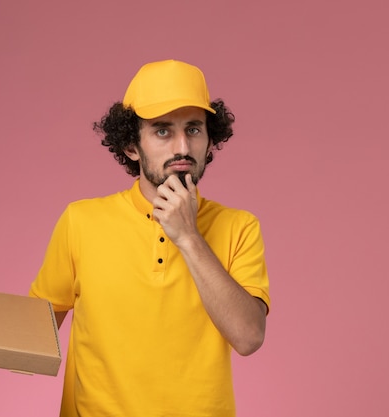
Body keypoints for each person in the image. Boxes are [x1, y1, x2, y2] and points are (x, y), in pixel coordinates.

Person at [29, 59, 270, 417]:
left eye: (193, 129)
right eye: (162, 131)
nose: (182, 148)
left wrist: (188, 237)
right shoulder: (81, 221)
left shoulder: (239, 227)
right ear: (131, 146)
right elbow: (28, 339)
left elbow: (249, 337)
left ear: (209, 140)